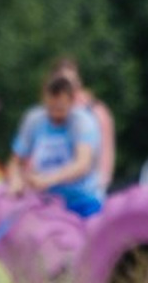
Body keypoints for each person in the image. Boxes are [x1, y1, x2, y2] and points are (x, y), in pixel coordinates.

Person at [6, 72, 105, 218]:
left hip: (84, 201)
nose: (55, 115)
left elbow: (82, 165)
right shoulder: (33, 119)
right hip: (46, 203)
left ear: (71, 102)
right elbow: (15, 161)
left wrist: (48, 179)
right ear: (44, 99)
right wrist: (15, 180)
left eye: (60, 109)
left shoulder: (83, 122)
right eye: (50, 108)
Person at [49, 57, 115, 191]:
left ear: (78, 82)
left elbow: (106, 151)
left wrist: (101, 183)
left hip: (88, 189)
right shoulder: (48, 115)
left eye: (69, 81)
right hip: (54, 189)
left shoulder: (96, 111)